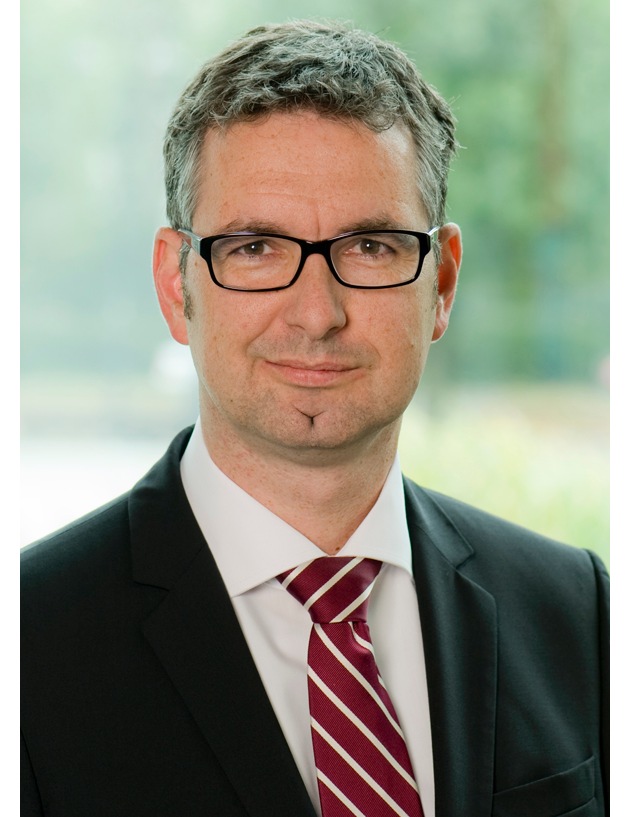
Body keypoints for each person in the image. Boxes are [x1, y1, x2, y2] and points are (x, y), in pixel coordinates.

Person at [21, 20, 609, 817]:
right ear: (175, 284)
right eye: (256, 247)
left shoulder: (580, 612)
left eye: (370, 247)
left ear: (441, 284)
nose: (316, 312)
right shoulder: (26, 642)